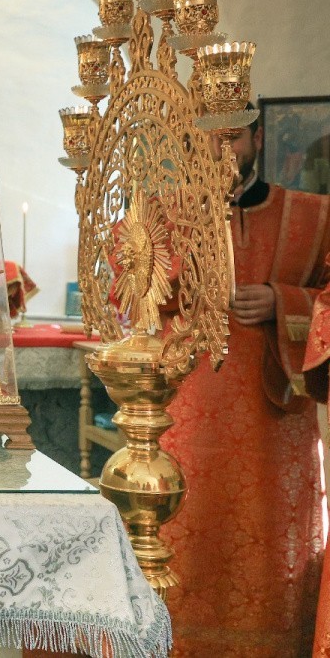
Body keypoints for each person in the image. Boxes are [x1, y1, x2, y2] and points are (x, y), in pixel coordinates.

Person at [157, 104, 330, 654]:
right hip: (188, 413)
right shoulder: (168, 218)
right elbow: (129, 292)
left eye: (232, 138)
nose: (220, 151)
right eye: (208, 139)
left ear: (258, 138)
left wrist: (286, 301)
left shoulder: (315, 216)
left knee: (268, 543)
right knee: (185, 537)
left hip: (275, 422)